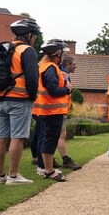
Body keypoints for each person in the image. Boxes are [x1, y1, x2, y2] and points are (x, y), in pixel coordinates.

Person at [0, 18, 40, 185]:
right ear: (28, 35)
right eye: (34, 35)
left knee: (0, 137)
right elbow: (33, 78)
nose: (34, 38)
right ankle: (13, 176)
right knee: (17, 137)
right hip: (19, 100)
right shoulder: (27, 51)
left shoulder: (5, 49)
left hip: (0, 98)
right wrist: (32, 97)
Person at [33, 39, 72, 181]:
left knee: (46, 139)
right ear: (57, 54)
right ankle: (48, 171)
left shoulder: (44, 66)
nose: (62, 56)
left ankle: (46, 168)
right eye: (62, 53)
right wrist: (66, 90)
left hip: (47, 110)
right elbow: (53, 90)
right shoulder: (50, 68)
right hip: (52, 111)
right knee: (49, 140)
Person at [57, 54, 82, 170]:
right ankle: (65, 160)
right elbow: (67, 88)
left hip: (59, 108)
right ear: (67, 65)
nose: (75, 66)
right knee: (61, 135)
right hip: (58, 109)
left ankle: (46, 161)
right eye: (74, 64)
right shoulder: (63, 75)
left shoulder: (62, 74)